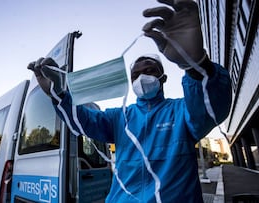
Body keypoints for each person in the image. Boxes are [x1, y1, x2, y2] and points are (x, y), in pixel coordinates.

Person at [28, 0, 232, 202]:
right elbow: (83, 121)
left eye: (150, 71)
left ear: (163, 78)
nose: (143, 77)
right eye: (137, 74)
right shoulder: (120, 117)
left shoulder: (182, 110)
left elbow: (213, 110)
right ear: (131, 81)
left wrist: (196, 65)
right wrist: (58, 94)